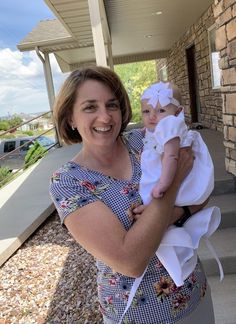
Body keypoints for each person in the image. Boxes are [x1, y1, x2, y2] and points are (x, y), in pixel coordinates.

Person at [49, 66, 215, 324]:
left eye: (112, 105)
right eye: (90, 107)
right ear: (70, 117)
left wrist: (175, 213)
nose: (105, 118)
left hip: (193, 294)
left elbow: (201, 190)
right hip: (136, 315)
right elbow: (130, 260)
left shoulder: (146, 139)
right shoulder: (69, 182)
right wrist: (173, 182)